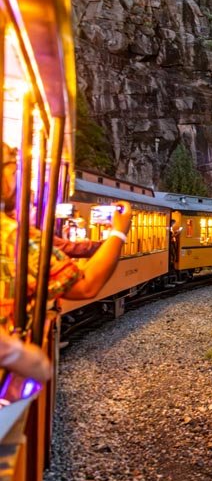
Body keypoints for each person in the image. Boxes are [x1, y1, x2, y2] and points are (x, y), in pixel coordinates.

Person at [0, 142, 132, 380]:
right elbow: (85, 286)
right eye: (12, 172)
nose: (17, 182)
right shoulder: (12, 236)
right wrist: (118, 233)